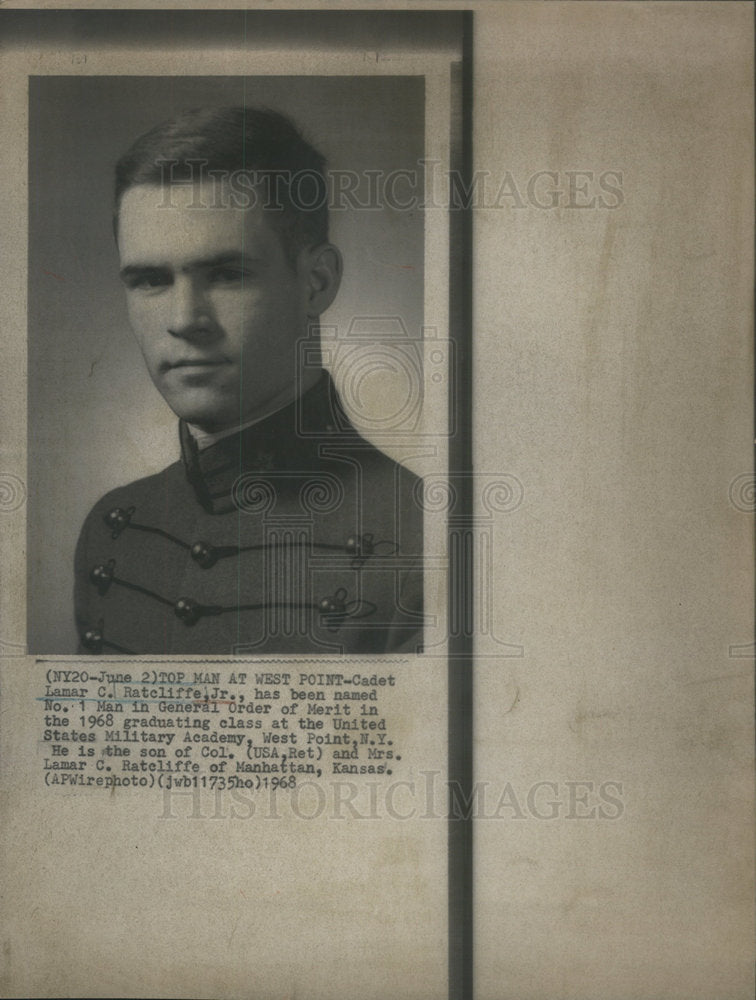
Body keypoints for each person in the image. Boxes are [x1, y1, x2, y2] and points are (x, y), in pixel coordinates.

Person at [74, 106, 423, 655]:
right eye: (149, 280)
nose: (186, 318)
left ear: (317, 282)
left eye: (228, 275)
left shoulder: (423, 541)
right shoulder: (113, 528)